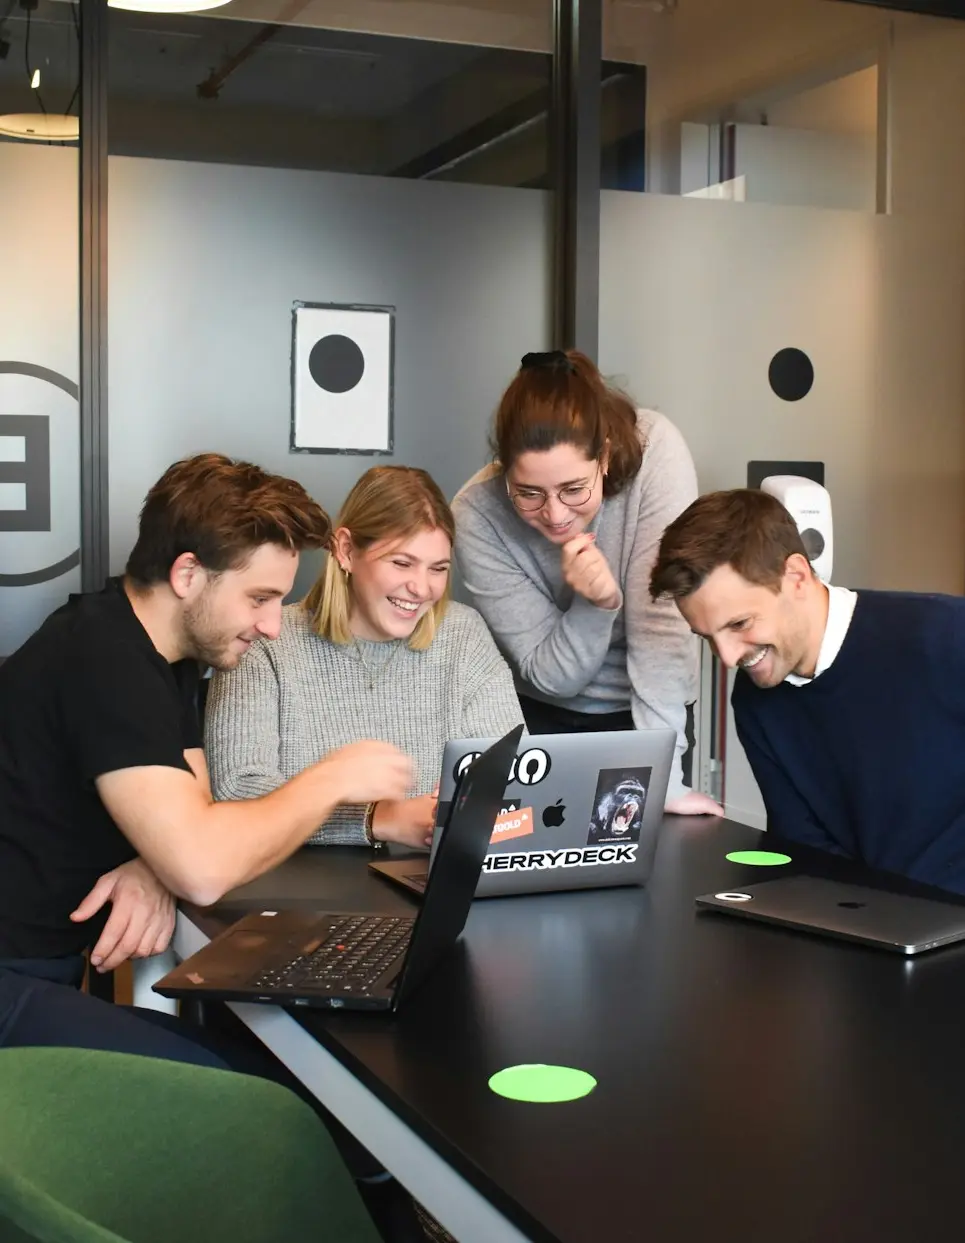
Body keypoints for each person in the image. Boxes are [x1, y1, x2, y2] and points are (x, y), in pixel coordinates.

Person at [0, 452, 412, 1064]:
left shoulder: (165, 655)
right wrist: (334, 778)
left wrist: (152, 859)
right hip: (13, 980)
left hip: (41, 971)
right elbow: (203, 867)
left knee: (253, 1065)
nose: (273, 625)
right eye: (259, 598)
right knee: (249, 1086)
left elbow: (197, 802)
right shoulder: (103, 657)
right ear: (189, 574)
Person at [650, 487, 965, 894]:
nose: (726, 658)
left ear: (796, 576)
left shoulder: (947, 636)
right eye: (706, 636)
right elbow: (807, 852)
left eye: (740, 624)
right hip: (875, 930)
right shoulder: (755, 701)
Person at [452, 348, 721, 816]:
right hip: (540, 717)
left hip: (654, 716)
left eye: (574, 489)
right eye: (528, 494)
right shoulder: (477, 515)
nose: (555, 515)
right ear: (504, 472)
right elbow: (553, 676)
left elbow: (663, 628)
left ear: (606, 457)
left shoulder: (656, 449)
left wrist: (665, 779)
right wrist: (596, 604)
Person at [206, 465, 524, 847]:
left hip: (426, 882)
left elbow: (518, 782)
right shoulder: (264, 640)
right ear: (345, 550)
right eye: (401, 563)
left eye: (437, 568)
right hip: (294, 886)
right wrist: (377, 819)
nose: (421, 588)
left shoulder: (463, 636)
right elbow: (237, 792)